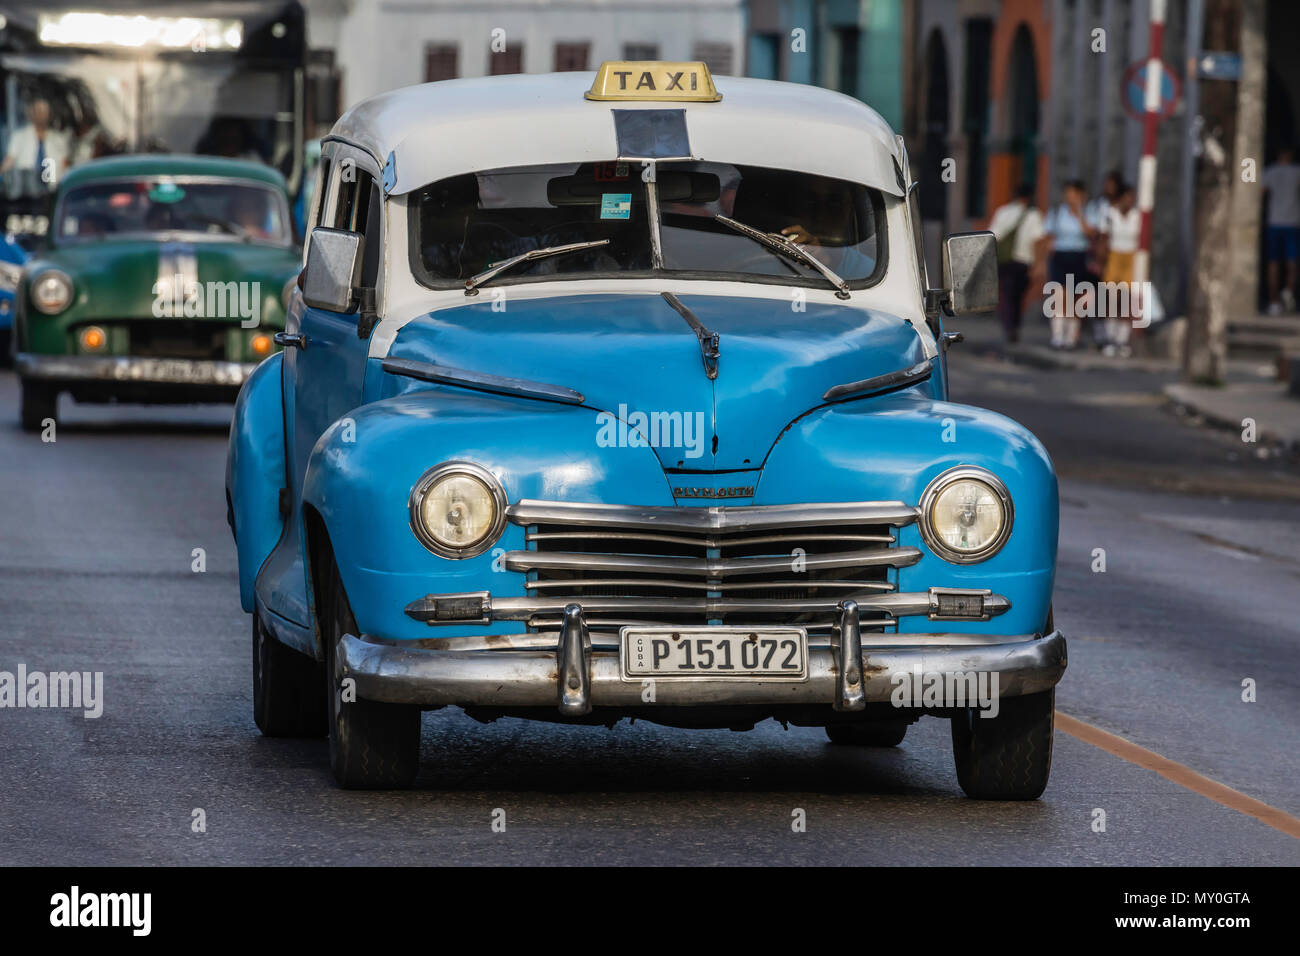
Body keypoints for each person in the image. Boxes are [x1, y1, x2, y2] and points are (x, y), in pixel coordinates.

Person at [1041, 179, 1099, 349]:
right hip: (1060, 255)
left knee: (1075, 298)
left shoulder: (1089, 212)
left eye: (1074, 194)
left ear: (1081, 195)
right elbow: (1048, 236)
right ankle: (1058, 335)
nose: (1070, 198)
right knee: (1060, 295)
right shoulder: (1058, 212)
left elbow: (1092, 233)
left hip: (1079, 255)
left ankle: (1071, 336)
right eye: (1068, 194)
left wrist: (1079, 215)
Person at [987, 183, 1044, 343]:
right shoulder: (1034, 215)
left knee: (1006, 294)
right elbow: (1037, 241)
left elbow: (993, 237)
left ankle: (1008, 324)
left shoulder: (1003, 212)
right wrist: (1039, 264)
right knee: (1017, 296)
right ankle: (1013, 325)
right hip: (1023, 261)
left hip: (1003, 260)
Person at [1100, 184, 1140, 357]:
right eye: (1126, 197)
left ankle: (1122, 340)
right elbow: (1103, 238)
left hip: (1130, 258)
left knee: (1126, 301)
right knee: (1111, 300)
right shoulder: (1111, 214)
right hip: (1114, 257)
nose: (1129, 201)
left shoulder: (1136, 216)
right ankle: (1110, 338)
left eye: (1132, 198)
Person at [1, 99, 71, 192]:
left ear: (49, 115)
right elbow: (9, 162)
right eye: (38, 111)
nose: (41, 115)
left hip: (52, 191)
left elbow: (65, 167)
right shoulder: (19, 137)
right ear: (32, 114)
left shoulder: (58, 139)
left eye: (44, 112)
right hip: (26, 192)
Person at [1262, 146, 1300, 315]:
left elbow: (1258, 191)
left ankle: (1274, 302)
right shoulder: (1297, 172)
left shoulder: (1269, 172)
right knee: (1292, 262)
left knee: (1273, 263)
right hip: (1293, 222)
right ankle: (1288, 291)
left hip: (1274, 222)